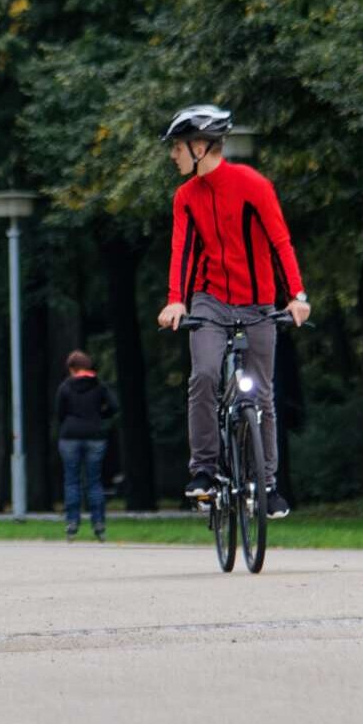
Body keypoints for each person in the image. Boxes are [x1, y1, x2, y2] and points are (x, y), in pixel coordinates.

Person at [154, 105, 310, 517]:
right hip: (210, 300)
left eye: (178, 147)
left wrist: (296, 295)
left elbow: (280, 242)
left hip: (259, 302)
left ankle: (268, 484)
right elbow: (182, 251)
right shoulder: (185, 197)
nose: (174, 155)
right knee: (204, 374)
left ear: (200, 147)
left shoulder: (252, 185)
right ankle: (204, 471)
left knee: (262, 393)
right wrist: (176, 300)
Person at [55, 351, 119, 541]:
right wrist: (100, 417)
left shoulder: (65, 386)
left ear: (72, 368)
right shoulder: (100, 385)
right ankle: (99, 524)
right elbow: (114, 406)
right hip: (95, 436)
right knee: (94, 481)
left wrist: (68, 423)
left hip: (70, 437)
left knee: (72, 481)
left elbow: (59, 412)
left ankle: (72, 524)